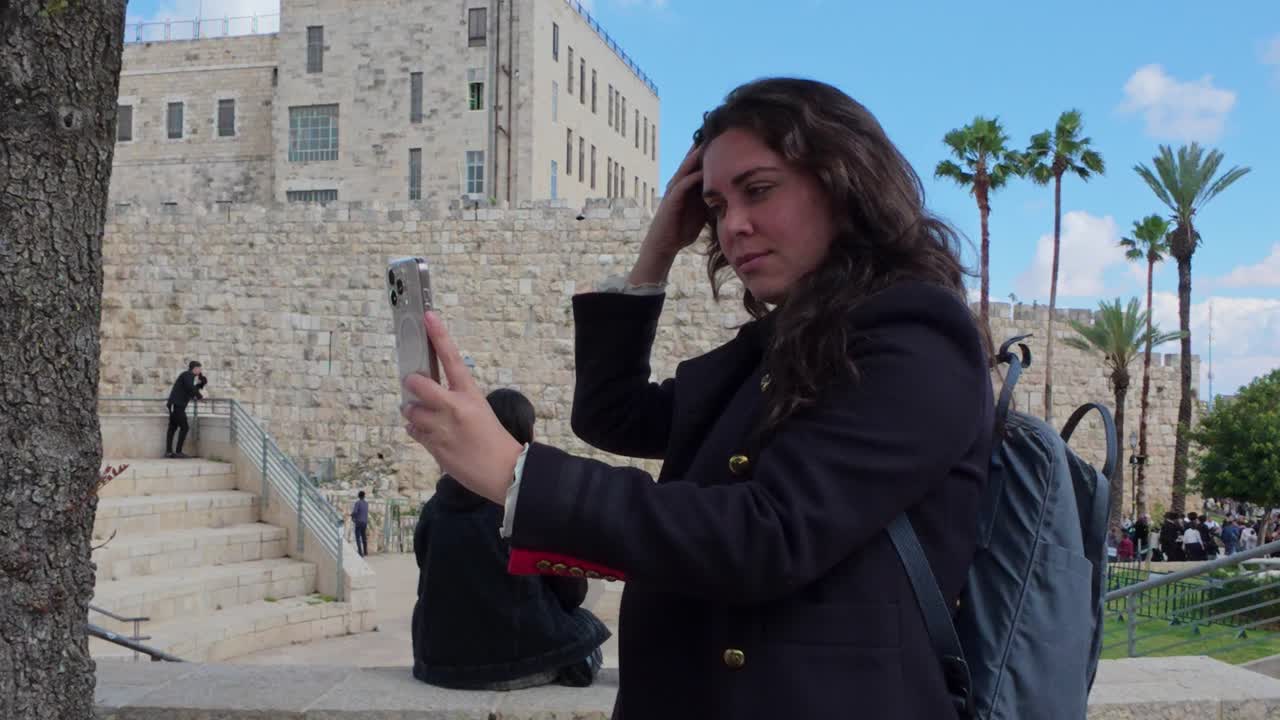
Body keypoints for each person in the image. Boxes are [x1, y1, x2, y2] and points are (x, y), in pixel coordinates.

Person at [400, 78, 994, 718]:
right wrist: (659, 246)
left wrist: (518, 476)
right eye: (714, 204)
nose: (733, 225)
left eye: (759, 189)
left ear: (844, 182)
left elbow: (768, 534)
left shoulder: (916, 336)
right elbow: (613, 414)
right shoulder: (783, 343)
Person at [410, 388, 610, 690]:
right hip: (521, 662)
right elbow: (571, 593)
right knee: (587, 627)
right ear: (525, 435)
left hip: (441, 663)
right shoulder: (531, 504)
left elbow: (426, 572)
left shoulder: (435, 507)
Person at [165, 360, 207, 458]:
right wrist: (200, 397)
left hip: (175, 405)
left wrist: (201, 384)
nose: (200, 371)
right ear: (195, 369)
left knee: (172, 428)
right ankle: (178, 452)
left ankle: (169, 452)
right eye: (199, 369)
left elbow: (190, 389)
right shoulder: (188, 375)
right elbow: (190, 388)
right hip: (177, 405)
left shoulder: (187, 376)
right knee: (184, 427)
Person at [350, 490, 369, 557]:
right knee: (364, 537)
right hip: (365, 522)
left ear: (359, 496)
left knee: (358, 537)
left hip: (358, 522)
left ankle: (360, 552)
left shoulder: (357, 503)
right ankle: (365, 551)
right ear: (364, 496)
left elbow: (355, 512)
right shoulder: (366, 503)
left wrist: (352, 515)